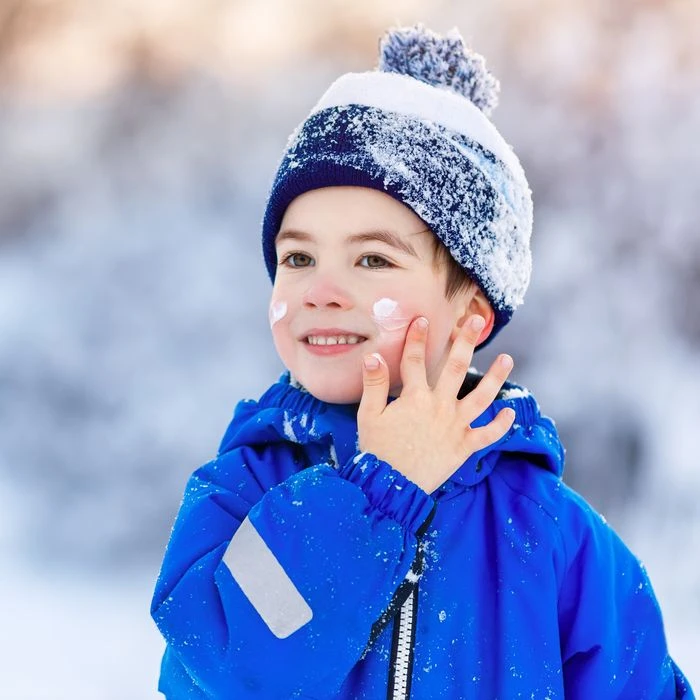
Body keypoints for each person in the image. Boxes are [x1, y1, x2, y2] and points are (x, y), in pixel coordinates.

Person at [151, 25, 694, 699]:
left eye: (372, 259)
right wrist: (377, 492)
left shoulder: (552, 534)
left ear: (470, 314)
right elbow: (236, 671)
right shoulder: (240, 492)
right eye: (298, 258)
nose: (320, 288)